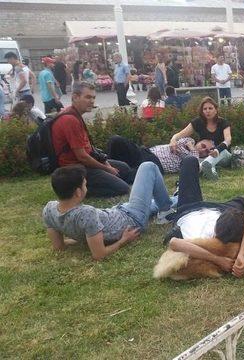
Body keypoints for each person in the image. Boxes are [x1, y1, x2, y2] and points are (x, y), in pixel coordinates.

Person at [43, 163, 175, 261]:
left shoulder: (49, 209)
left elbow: (59, 246)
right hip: (132, 218)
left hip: (119, 211)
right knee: (148, 167)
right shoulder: (86, 214)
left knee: (153, 202)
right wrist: (124, 240)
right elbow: (99, 255)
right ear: (78, 192)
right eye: (84, 185)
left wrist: (84, 239)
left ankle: (178, 198)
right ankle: (167, 210)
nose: (86, 187)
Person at [164, 156, 244, 277]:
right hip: (211, 209)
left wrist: (241, 254)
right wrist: (218, 260)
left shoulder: (206, 237)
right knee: (239, 203)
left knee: (189, 161)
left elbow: (174, 242)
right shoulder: (206, 235)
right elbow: (174, 242)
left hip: (194, 209)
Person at [51, 82, 134, 197]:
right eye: (88, 97)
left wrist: (105, 163)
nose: (91, 101)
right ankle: (75, 190)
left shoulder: (75, 115)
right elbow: (82, 156)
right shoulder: (70, 120)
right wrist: (106, 169)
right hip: (75, 169)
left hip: (85, 164)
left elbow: (89, 149)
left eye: (93, 97)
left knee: (123, 168)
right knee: (123, 188)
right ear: (75, 97)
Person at [170, 97, 231, 180]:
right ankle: (210, 171)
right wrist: (173, 140)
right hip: (204, 156)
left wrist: (217, 150)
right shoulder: (198, 122)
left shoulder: (223, 122)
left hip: (223, 155)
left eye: (210, 108)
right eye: (205, 109)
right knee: (197, 161)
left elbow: (228, 140)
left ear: (216, 110)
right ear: (202, 111)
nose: (207, 111)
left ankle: (205, 166)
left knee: (222, 153)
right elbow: (181, 134)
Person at [107, 135, 208, 174]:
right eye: (203, 145)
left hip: (156, 166)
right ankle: (107, 165)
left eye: (207, 151)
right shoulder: (189, 140)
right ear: (199, 141)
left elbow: (194, 165)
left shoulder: (199, 160)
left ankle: (111, 174)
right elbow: (178, 143)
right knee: (116, 140)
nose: (203, 150)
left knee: (127, 173)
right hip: (146, 153)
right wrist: (190, 148)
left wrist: (193, 151)